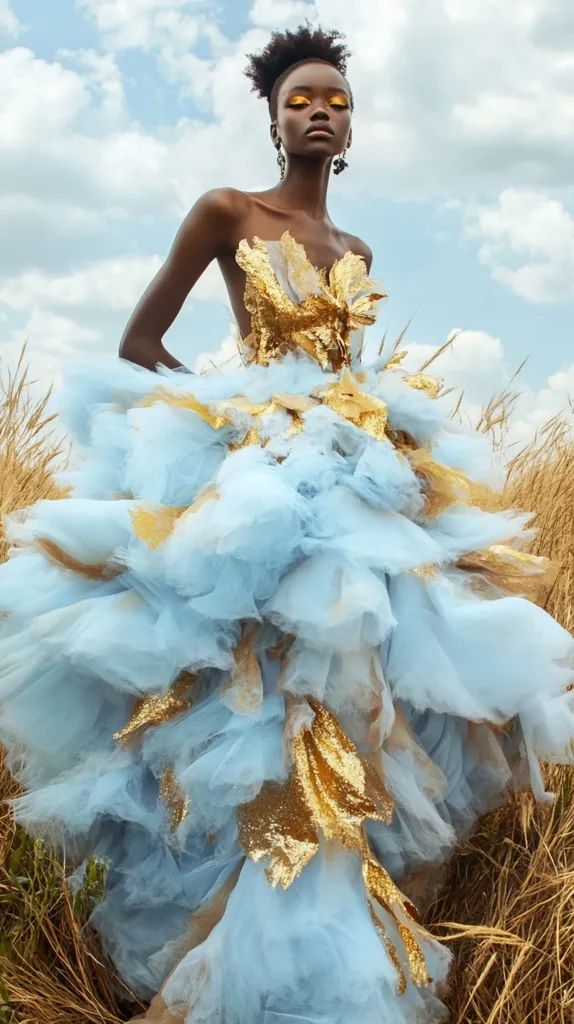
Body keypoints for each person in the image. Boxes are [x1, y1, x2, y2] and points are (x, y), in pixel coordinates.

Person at [0, 23, 573, 1024]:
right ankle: (236, 914)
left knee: (359, 684)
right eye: (300, 97)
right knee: (252, 694)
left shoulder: (355, 249)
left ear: (350, 129)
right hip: (261, 474)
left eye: (336, 100)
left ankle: (333, 909)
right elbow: (141, 342)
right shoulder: (230, 212)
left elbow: (346, 370)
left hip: (350, 475)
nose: (318, 108)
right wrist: (233, 410)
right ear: (271, 118)